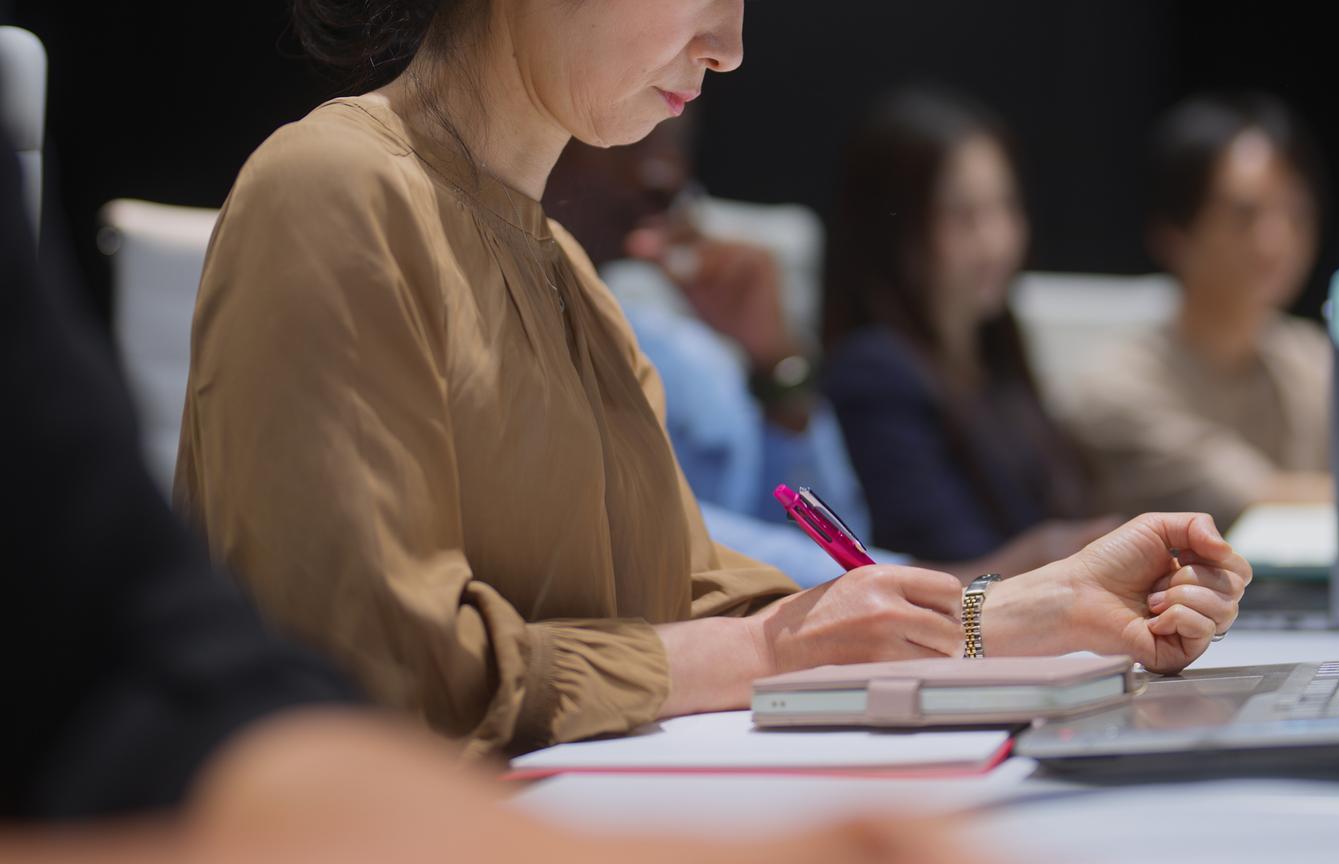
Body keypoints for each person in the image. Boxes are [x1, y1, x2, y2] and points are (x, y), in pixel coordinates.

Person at [174, 0, 1250, 760]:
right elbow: (376, 668)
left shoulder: (567, 281)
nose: (732, 46)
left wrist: (1023, 611)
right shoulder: (334, 192)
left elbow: (703, 605)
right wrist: (779, 653)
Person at [0, 112, 970, 863]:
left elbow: (730, 552)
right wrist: (957, 603)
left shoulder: (591, 296)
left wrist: (784, 379)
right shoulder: (347, 196)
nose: (731, 45)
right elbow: (397, 660)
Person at [545, 120, 911, 586]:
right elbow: (647, 537)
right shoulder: (494, 332)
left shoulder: (686, 354)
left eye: (676, 143)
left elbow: (840, 532)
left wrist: (775, 365)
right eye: (631, 134)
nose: (666, 174)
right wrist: (920, 583)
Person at [822, 87, 1116, 571]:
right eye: (963, 215)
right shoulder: (874, 371)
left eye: (1005, 207)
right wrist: (1061, 555)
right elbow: (929, 566)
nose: (995, 240)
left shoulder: (996, 358)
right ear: (895, 225)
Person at [1058, 92, 1333, 527]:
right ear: (1174, 236)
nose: (1277, 240)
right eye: (1245, 216)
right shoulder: (1117, 387)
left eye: (1296, 214)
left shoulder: (1316, 359)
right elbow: (1250, 495)